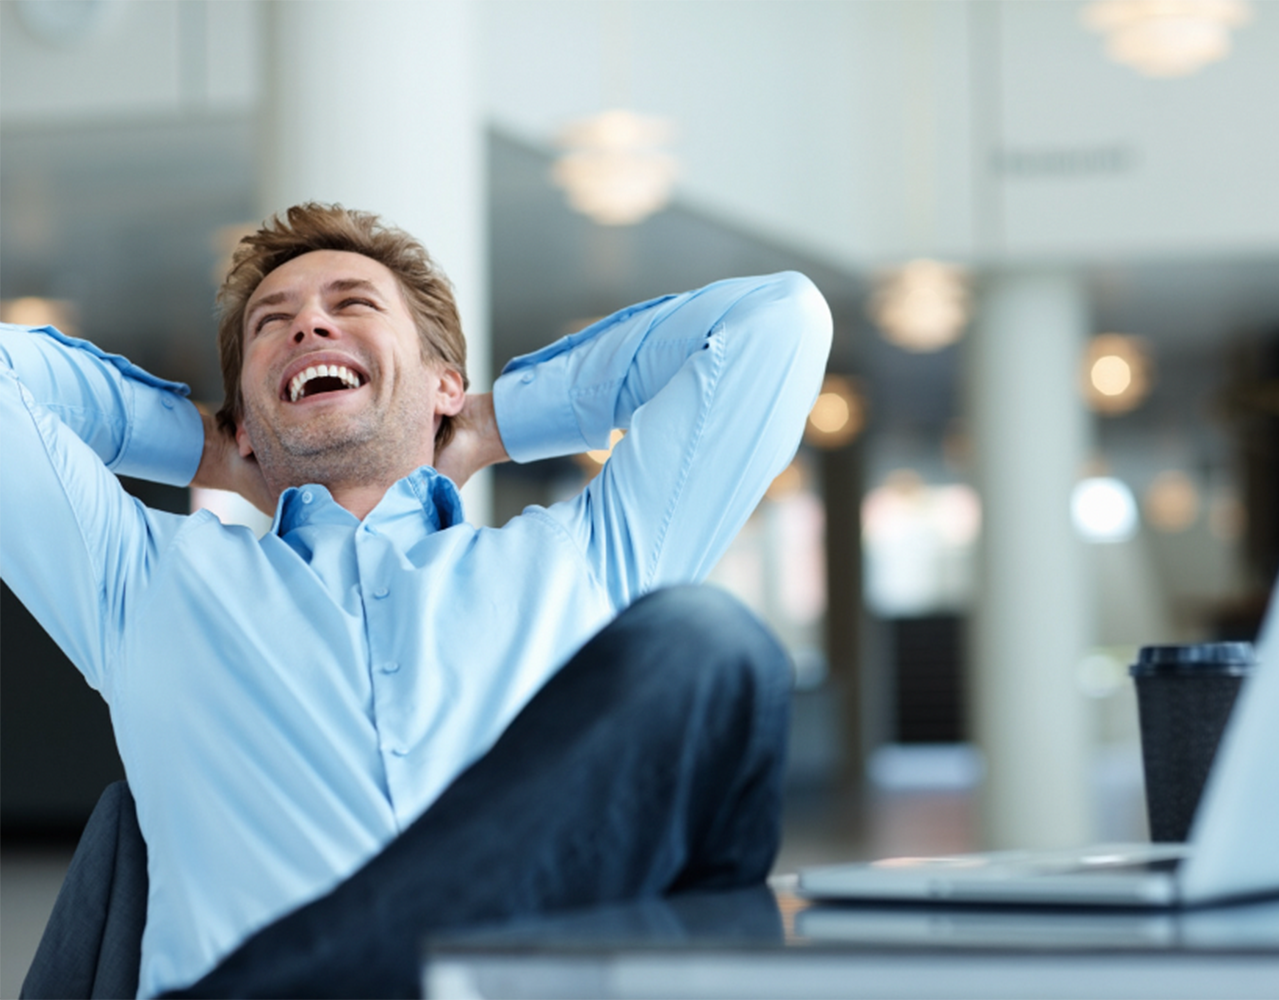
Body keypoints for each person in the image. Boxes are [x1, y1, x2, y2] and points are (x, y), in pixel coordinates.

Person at [2, 203, 832, 999]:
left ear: (444, 384)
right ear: (247, 424)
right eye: (272, 323)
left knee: (709, 644)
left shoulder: (579, 561)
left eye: (352, 303)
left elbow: (777, 323)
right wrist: (206, 445)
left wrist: (498, 421)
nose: (309, 326)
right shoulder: (145, 581)